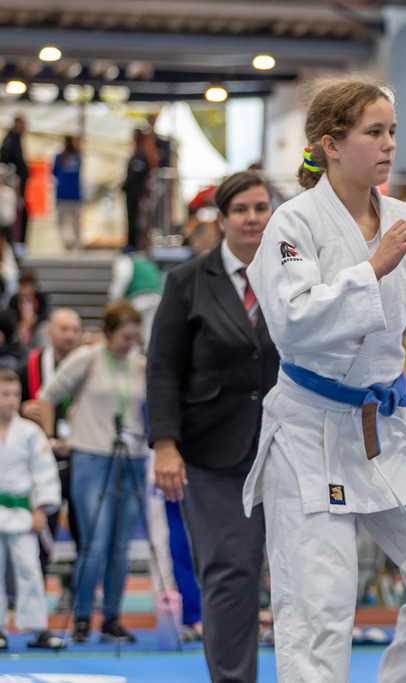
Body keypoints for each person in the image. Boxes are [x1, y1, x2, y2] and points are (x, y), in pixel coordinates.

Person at [240, 79, 406, 682]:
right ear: (331, 144)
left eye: (392, 132)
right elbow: (292, 325)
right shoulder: (293, 224)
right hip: (308, 432)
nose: (388, 144)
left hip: (384, 428)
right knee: (319, 615)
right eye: (374, 132)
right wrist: (372, 270)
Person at [147, 170, 279, 682]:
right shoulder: (186, 282)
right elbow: (162, 367)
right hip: (212, 453)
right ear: (221, 219)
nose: (252, 218)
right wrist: (165, 444)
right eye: (241, 209)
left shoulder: (293, 275)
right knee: (230, 573)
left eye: (261, 207)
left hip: (289, 444)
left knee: (302, 574)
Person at [36, 301, 146, 644]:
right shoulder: (87, 358)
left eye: (135, 337)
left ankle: (112, 618)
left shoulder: (140, 365)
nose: (131, 342)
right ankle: (83, 617)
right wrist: (51, 439)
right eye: (126, 336)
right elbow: (47, 396)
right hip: (90, 457)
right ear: (110, 332)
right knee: (95, 543)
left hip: (132, 459)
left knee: (121, 545)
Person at [18, 308, 83, 594]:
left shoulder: (88, 365)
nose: (69, 335)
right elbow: (8, 401)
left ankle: (79, 597)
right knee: (43, 530)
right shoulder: (28, 366)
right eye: (64, 329)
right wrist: (20, 408)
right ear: (50, 332)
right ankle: (33, 594)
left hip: (80, 457)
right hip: (42, 461)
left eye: (74, 330)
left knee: (86, 532)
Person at [0, 368, 65, 650]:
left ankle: (39, 629)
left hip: (23, 513)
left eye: (15, 394)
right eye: (5, 394)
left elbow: (44, 472)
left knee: (30, 569)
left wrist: (41, 507)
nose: (12, 400)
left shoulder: (30, 432)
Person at [109, 248, 163, 352]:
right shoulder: (147, 262)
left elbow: (123, 277)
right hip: (156, 298)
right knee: (148, 332)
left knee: (132, 330)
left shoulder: (124, 259)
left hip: (138, 298)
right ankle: (148, 357)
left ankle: (133, 357)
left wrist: (114, 299)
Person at [0, 117, 29, 244]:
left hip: (16, 184)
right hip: (14, 185)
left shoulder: (14, 140)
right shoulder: (11, 140)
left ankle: (16, 242)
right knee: (13, 215)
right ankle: (15, 242)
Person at [122, 129, 152, 252]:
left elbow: (136, 174)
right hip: (132, 193)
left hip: (136, 193)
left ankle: (134, 244)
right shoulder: (136, 154)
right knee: (131, 219)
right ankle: (132, 242)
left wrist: (126, 185)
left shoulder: (141, 155)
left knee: (136, 219)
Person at [52, 136, 83, 251]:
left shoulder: (61, 157)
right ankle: (75, 243)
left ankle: (68, 241)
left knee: (63, 221)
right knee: (74, 222)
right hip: (73, 194)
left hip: (64, 194)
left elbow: (54, 172)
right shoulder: (76, 157)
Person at [9, 271, 48, 349]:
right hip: (19, 328)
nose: (24, 290)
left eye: (26, 287)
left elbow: (45, 314)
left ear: (33, 287)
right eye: (22, 287)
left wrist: (34, 320)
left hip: (36, 328)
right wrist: (21, 324)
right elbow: (11, 316)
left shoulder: (40, 298)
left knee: (45, 329)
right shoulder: (14, 300)